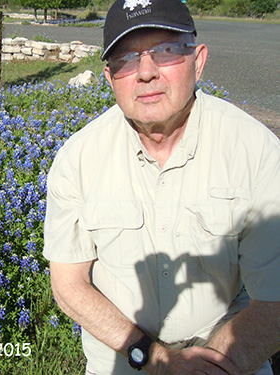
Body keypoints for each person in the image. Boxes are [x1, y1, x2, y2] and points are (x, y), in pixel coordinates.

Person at [43, 0, 280, 374]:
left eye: (166, 51)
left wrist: (209, 367)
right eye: (126, 59)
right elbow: (68, 284)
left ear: (198, 61)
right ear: (109, 78)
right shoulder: (77, 159)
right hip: (123, 360)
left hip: (230, 358)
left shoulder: (257, 152)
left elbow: (275, 302)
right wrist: (151, 356)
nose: (146, 72)